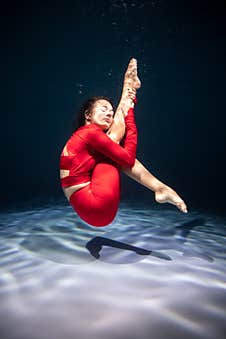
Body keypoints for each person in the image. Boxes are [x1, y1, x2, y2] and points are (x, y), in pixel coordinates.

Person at [60, 59, 187, 227]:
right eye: (104, 109)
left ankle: (160, 188)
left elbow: (124, 157)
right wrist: (130, 115)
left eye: (111, 111)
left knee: (113, 149)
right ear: (88, 115)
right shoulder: (89, 133)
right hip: (95, 205)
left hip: (90, 211)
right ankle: (129, 90)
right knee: (115, 148)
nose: (109, 113)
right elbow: (127, 159)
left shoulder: (84, 138)